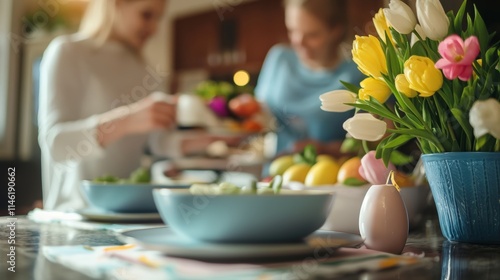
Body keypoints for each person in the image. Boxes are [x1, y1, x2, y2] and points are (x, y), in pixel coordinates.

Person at [38, 0, 177, 211]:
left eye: (158, 18)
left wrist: (207, 141)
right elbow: (56, 145)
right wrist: (126, 120)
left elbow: (156, 147)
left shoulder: (148, 71)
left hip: (132, 216)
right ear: (115, 5)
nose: (155, 29)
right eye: (147, 15)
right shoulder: (68, 51)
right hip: (75, 216)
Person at [255, 0, 365, 157]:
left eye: (312, 35)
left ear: (335, 30)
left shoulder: (356, 74)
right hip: (272, 175)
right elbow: (258, 114)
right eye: (292, 30)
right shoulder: (279, 59)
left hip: (328, 177)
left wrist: (326, 149)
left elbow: (373, 141)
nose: (298, 42)